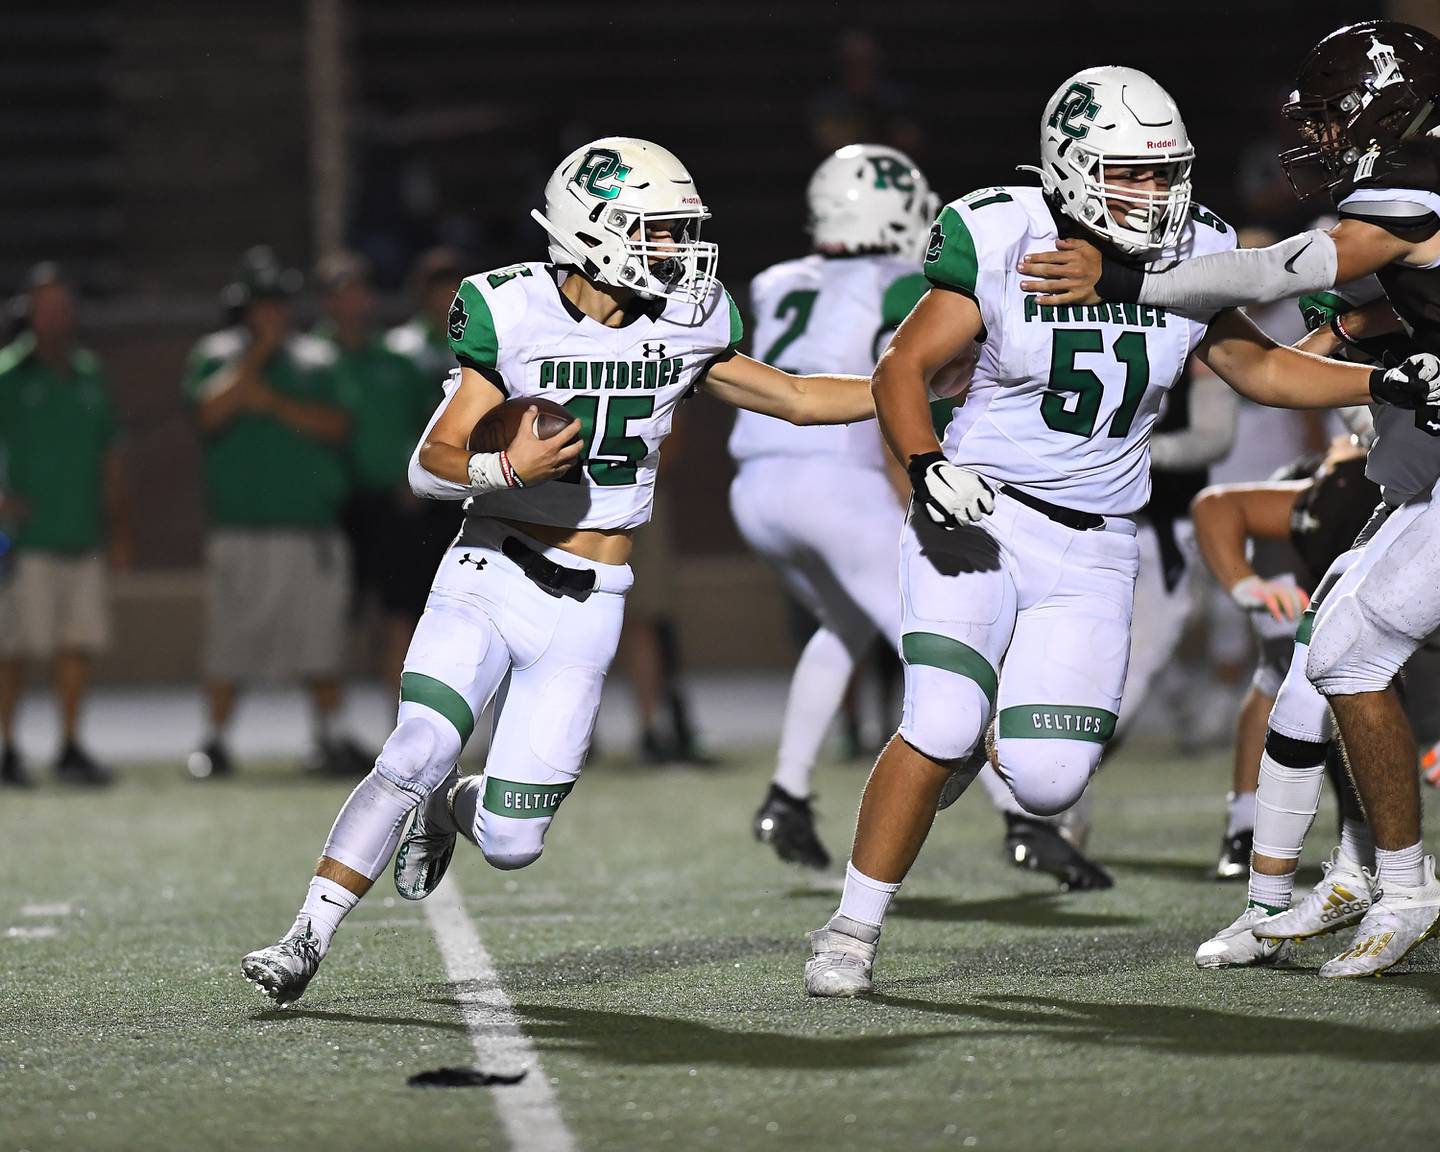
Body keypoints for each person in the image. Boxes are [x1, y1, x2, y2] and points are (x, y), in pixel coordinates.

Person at [801, 65, 1438, 999]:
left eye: (1162, 172)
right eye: (1127, 173)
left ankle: (970, 736)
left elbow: (1259, 373)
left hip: (1098, 540)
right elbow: (904, 366)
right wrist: (927, 464)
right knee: (937, 719)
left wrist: (1379, 380)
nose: (1150, 193)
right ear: (1067, 164)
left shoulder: (1197, 248)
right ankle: (851, 931)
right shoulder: (1002, 228)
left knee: (1050, 782)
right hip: (981, 511)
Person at [239, 136, 879, 1006]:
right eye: (656, 232)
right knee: (418, 741)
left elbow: (800, 398)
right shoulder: (514, 310)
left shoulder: (687, 320)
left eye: (679, 232)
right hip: (490, 566)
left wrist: (913, 387)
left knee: (511, 839)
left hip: (593, 602)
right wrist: (505, 471)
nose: (678, 253)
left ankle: (449, 807)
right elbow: (428, 464)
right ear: (595, 232)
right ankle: (304, 935)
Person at [1017, 20, 1440, 977]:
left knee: (1352, 654)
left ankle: (1404, 885)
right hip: (1428, 465)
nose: (1323, 137)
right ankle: (1358, 873)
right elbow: (1381, 306)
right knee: (1330, 650)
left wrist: (1123, 277)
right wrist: (1364, 343)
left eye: (1335, 117)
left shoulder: (1413, 187)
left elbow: (1272, 272)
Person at [730, 143, 934, 869]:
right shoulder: (897, 280)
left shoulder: (777, 278)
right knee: (937, 641)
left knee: (844, 622)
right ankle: (1026, 820)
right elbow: (901, 385)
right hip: (835, 477)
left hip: (754, 481)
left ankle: (786, 793)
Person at [184, 247, 363, 779]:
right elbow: (208, 415)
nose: (270, 315)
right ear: (244, 308)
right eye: (261, 304)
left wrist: (275, 404)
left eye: (278, 304)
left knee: (319, 640)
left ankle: (327, 735)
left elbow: (339, 426)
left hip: (308, 527)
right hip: (240, 527)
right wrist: (254, 363)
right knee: (228, 641)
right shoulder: (214, 355)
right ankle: (214, 741)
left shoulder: (319, 359)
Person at [0, 264, 131, 786]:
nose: (55, 316)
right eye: (45, 305)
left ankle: (69, 744)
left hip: (80, 531)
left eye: (62, 305)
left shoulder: (89, 374)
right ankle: (8, 747)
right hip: (23, 541)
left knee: (77, 643)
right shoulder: (8, 375)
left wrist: (120, 527)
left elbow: (112, 456)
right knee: (12, 647)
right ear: (27, 311)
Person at [316, 251, 439, 698]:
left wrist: (412, 479)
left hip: (392, 507)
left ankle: (398, 725)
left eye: (359, 291)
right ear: (326, 302)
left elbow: (423, 428)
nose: (353, 302)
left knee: (400, 614)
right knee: (332, 619)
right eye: (341, 293)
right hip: (330, 509)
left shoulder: (396, 363)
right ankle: (328, 728)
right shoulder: (310, 362)